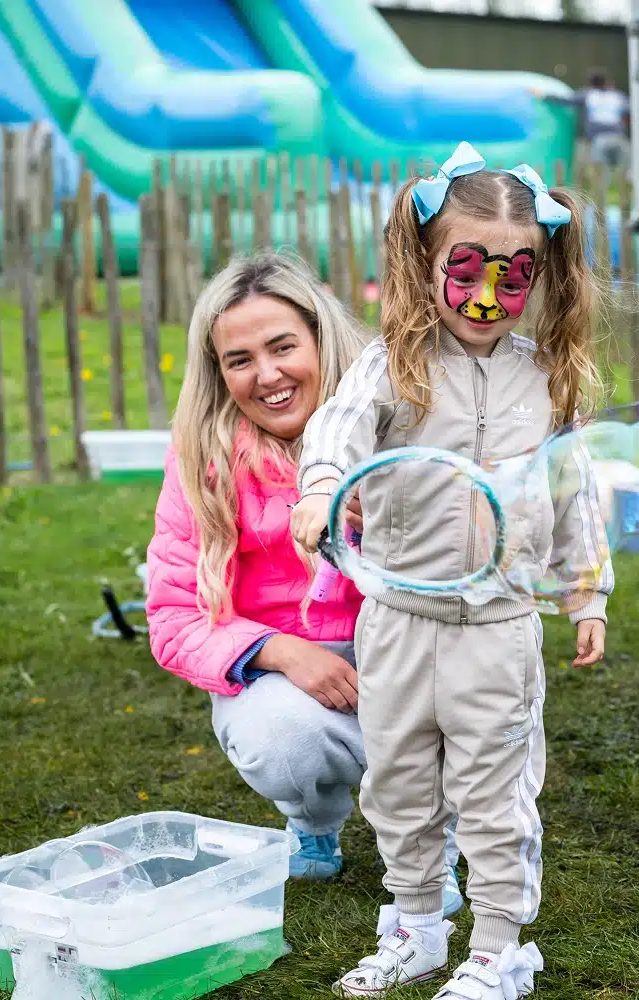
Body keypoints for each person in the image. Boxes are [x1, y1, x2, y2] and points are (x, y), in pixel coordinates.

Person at [292, 141, 613, 999]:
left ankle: (501, 950)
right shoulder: (392, 367)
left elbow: (576, 491)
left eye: (512, 277)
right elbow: (336, 433)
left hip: (500, 631)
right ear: (426, 260)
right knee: (396, 784)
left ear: (541, 276)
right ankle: (418, 928)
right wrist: (322, 490)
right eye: (466, 268)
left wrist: (587, 591)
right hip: (396, 623)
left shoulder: (548, 381)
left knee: (494, 793)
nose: (485, 297)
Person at [144, 251, 466, 915]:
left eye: (283, 346)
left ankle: (438, 838)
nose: (267, 375)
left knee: (463, 685)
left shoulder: (401, 420)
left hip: (408, 645)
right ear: (218, 371)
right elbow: (173, 617)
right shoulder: (203, 456)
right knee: (282, 737)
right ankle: (314, 823)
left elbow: (475, 565)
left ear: (322, 338)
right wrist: (280, 652)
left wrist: (384, 525)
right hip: (285, 667)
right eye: (240, 360)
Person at [530, 68, 630, 169]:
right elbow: (629, 110)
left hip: (599, 139)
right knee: (622, 171)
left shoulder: (588, 94)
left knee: (600, 172)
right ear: (608, 83)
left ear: (590, 84)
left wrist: (543, 95)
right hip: (619, 137)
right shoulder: (618, 95)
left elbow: (565, 100)